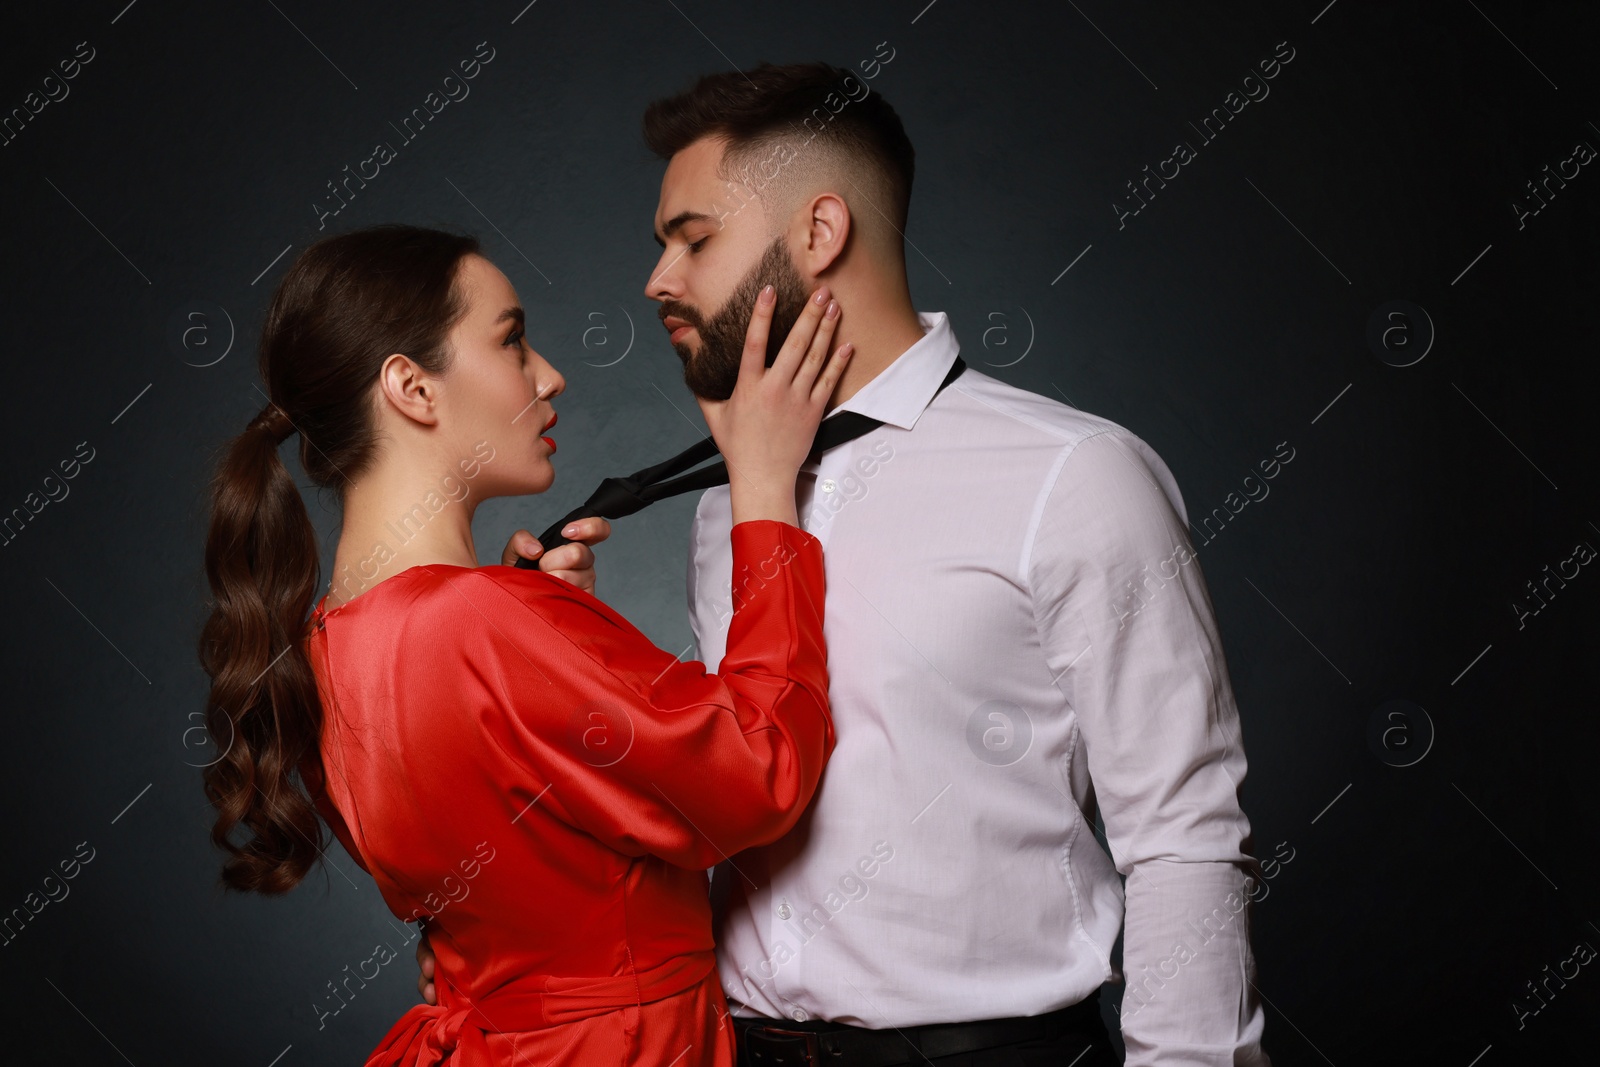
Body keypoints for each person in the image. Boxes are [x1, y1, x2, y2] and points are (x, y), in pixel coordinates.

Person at [422, 63, 1272, 1066]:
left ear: (819, 234)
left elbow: (1184, 829)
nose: (657, 280)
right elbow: (735, 791)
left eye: (693, 239)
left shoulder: (1076, 477)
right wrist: (572, 676)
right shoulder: (726, 505)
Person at [196, 223, 854, 1065]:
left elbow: (509, 879)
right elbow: (761, 768)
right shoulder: (485, 623)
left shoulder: (321, 645)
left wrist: (558, 652)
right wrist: (764, 490)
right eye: (510, 340)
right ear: (411, 388)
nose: (549, 374)